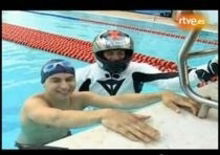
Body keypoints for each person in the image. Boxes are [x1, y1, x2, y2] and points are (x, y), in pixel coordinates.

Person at [15, 59, 200, 149]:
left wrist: (160, 94)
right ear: (43, 83)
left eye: (69, 79)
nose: (65, 86)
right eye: (56, 80)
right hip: (32, 148)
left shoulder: (79, 97)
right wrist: (103, 114)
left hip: (65, 140)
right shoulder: (34, 104)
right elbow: (58, 117)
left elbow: (116, 100)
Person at [75, 30, 218, 96]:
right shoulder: (83, 75)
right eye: (110, 53)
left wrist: (209, 69)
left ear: (128, 54)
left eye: (120, 53)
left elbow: (169, 81)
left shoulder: (137, 70)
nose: (117, 58)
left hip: (131, 115)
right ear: (100, 54)